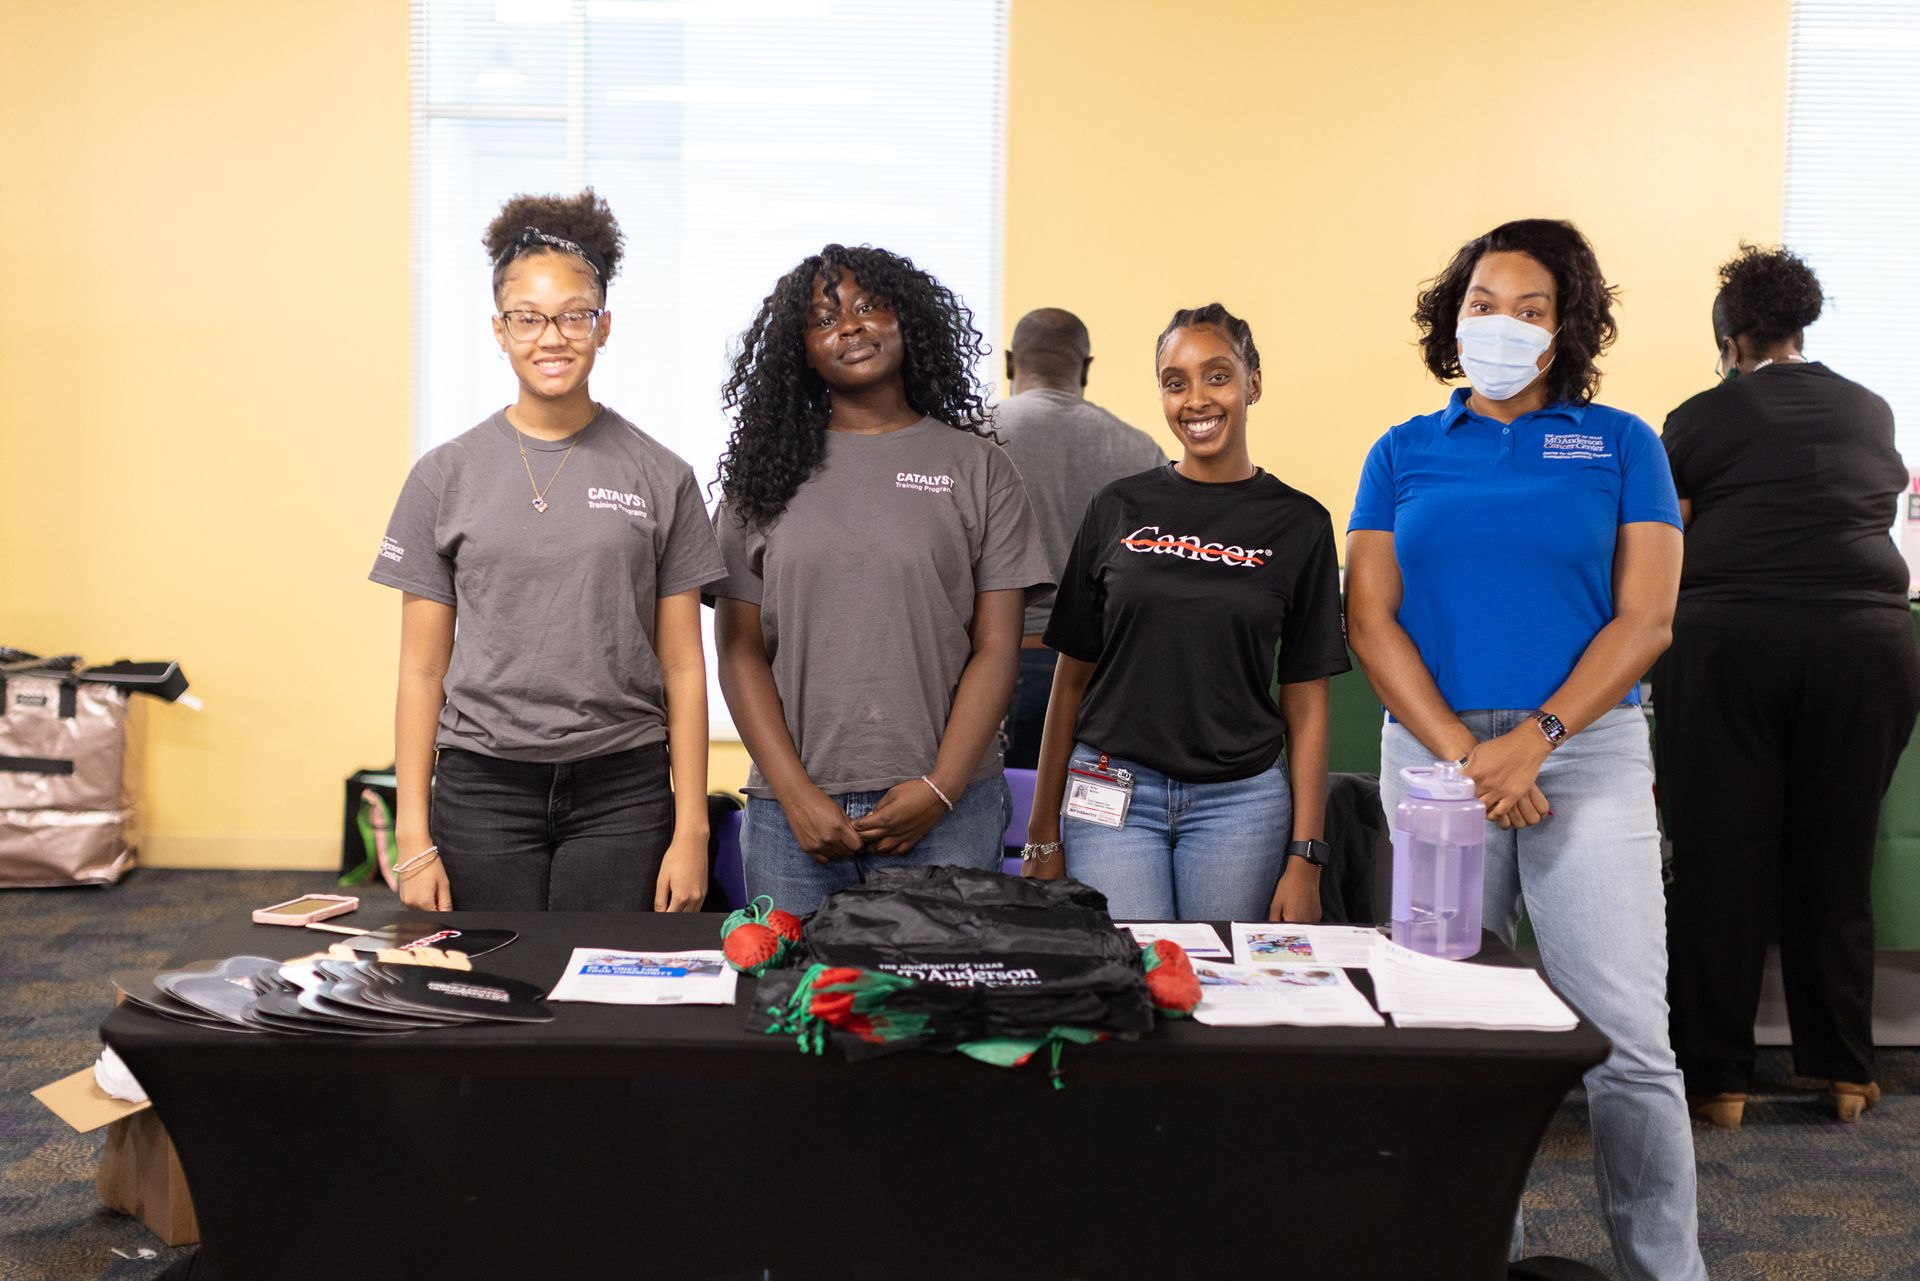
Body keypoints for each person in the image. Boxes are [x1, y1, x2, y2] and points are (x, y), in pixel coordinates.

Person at [1345, 220, 1705, 1280]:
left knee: (1631, 1045)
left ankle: (1664, 1269)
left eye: (1533, 308)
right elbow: (1372, 621)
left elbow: (1647, 620)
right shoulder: (1402, 451)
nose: (1505, 324)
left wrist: (1538, 740)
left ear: (1565, 331)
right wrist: (1467, 756)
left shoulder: (1623, 443)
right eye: (1484, 304)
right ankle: (1464, 1258)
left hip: (1584, 756)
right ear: (1454, 319)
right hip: (1434, 761)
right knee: (1448, 1034)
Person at [370, 190, 723, 913]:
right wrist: (414, 831)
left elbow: (686, 667)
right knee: (488, 997)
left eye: (573, 315)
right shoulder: (445, 474)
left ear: (605, 326)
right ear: (499, 330)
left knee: (602, 997)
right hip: (481, 785)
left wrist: (692, 830)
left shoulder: (661, 475)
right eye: (528, 318)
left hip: (621, 787)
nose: (552, 336)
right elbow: (421, 666)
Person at [1657, 244, 1920, 1128]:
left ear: (1729, 337)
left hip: (1730, 644)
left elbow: (1668, 540)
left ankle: (1718, 1079)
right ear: (1801, 328)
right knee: (1835, 853)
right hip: (1869, 646)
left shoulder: (1698, 419)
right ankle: (1845, 1072)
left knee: (1717, 861)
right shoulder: (1870, 409)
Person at [709, 243, 1052, 911]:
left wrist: (941, 788)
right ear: (800, 350)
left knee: (938, 1010)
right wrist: (797, 796)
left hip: (950, 809)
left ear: (909, 320)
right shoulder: (761, 476)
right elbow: (738, 652)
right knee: (798, 1005)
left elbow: (997, 648)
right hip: (793, 818)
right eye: (824, 317)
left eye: (868, 306)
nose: (851, 326)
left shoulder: (979, 468)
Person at [1023, 304, 1349, 922]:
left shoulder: (1301, 523)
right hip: (1110, 788)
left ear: (1253, 382)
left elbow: (1306, 697)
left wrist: (1307, 856)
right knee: (1135, 979)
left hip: (1241, 804)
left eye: (1217, 375)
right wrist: (1043, 834)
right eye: (1176, 383)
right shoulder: (1117, 506)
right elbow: (1070, 679)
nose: (1196, 399)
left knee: (1225, 994)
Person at [993, 308, 1167, 769]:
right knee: (1090, 827)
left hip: (995, 671)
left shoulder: (972, 437)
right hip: (1105, 678)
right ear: (1086, 368)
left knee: (996, 829)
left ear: (1011, 363)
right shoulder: (1140, 449)